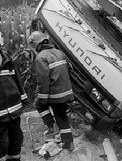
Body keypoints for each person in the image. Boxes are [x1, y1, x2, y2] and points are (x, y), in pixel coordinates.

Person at [28, 31, 75, 151]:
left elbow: (44, 81)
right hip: (67, 92)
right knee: (61, 116)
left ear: (36, 45)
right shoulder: (59, 52)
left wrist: (42, 98)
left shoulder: (40, 58)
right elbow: (70, 68)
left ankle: (50, 126)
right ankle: (68, 143)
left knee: (38, 104)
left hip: (56, 95)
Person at [0, 31, 28, 161]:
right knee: (1, 146)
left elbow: (16, 79)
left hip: (13, 112)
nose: (1, 36)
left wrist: (23, 97)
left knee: (15, 144)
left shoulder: (6, 58)